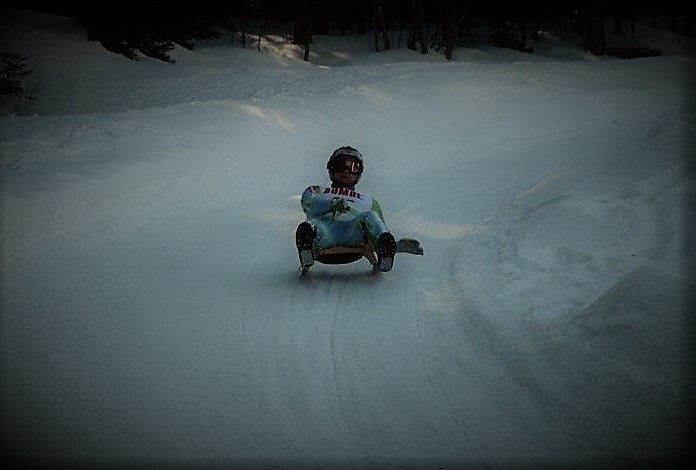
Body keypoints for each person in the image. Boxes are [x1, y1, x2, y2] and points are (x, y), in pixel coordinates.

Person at [295, 146, 396, 272]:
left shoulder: (368, 199)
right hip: (325, 231)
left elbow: (379, 225)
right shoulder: (318, 190)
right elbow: (308, 203)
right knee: (310, 225)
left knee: (370, 216)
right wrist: (330, 204)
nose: (346, 171)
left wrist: (392, 243)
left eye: (353, 167)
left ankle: (385, 253)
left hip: (353, 232)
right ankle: (307, 249)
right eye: (340, 165)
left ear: (359, 173)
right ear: (331, 168)